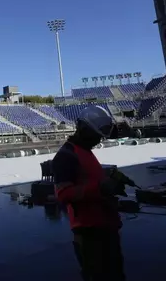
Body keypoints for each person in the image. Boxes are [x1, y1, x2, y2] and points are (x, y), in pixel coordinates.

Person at [52, 105, 126, 281]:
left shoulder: (85, 152)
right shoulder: (66, 156)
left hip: (105, 227)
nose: (98, 140)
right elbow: (63, 194)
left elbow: (88, 180)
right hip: (89, 234)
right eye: (96, 135)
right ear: (83, 129)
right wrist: (100, 188)